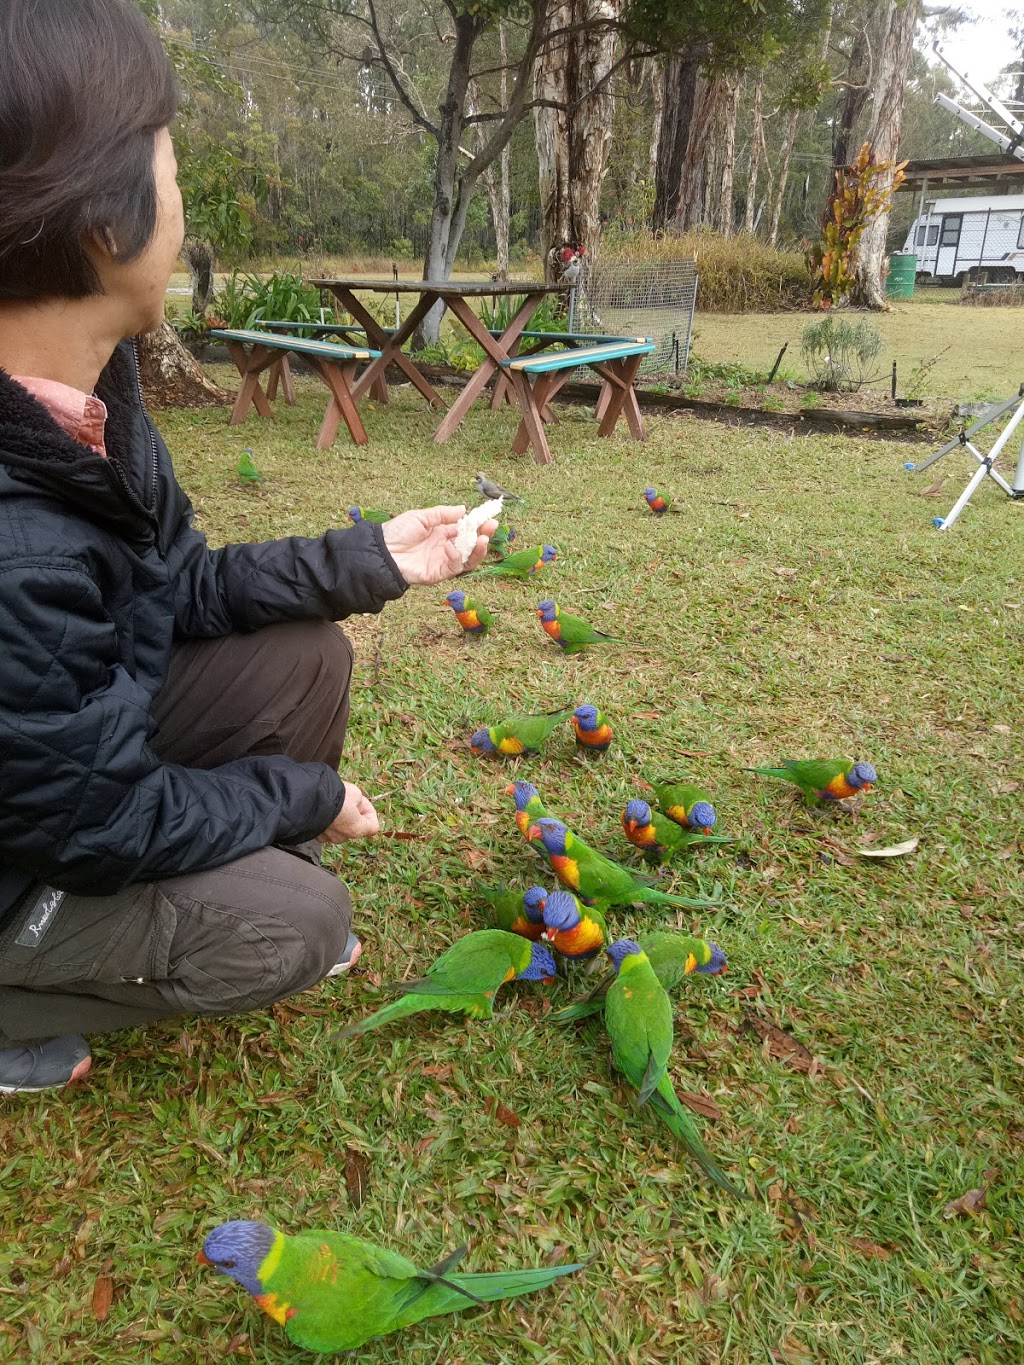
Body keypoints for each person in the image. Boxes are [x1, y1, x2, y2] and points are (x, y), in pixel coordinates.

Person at [0, 0, 495, 1093]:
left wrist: (372, 559)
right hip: (39, 847)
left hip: (46, 791)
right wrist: (298, 798)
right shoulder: (16, 548)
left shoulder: (84, 399)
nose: (183, 201)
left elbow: (177, 588)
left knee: (304, 652)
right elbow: (100, 824)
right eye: (170, 166)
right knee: (295, 925)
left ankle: (228, 881)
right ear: (100, 223)